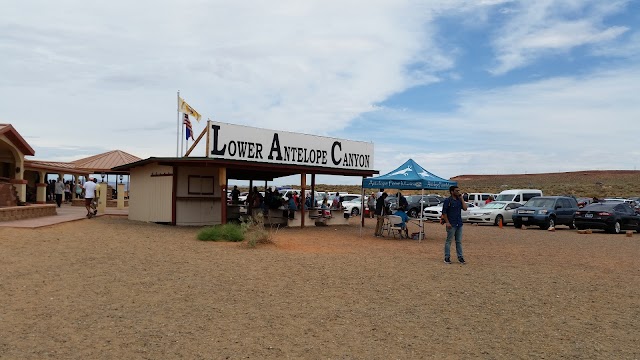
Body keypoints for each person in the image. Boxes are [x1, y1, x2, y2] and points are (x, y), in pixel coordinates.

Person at [441, 186, 467, 264]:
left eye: (459, 190)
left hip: (459, 223)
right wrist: (447, 222)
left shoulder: (459, 200)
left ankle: (460, 257)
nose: (458, 192)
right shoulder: (448, 200)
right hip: (451, 223)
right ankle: (447, 257)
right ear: (452, 192)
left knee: (458, 241)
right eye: (456, 191)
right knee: (449, 241)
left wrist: (462, 199)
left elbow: (465, 208)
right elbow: (444, 212)